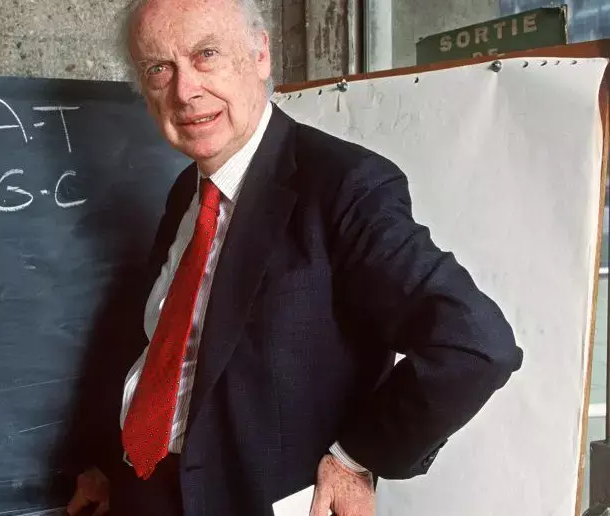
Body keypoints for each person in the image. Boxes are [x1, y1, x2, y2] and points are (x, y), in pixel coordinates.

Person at [65, 0, 523, 514]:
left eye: (206, 55)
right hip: (143, 487)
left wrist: (357, 457)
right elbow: (166, 348)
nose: (185, 90)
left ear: (260, 54)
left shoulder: (345, 186)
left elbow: (475, 344)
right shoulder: (185, 194)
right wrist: (111, 465)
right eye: (158, 68)